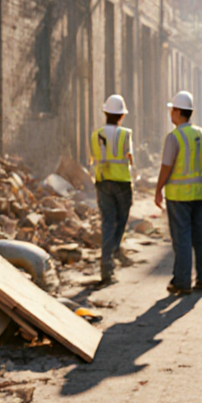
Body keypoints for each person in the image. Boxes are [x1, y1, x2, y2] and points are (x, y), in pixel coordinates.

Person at [154, 90, 202, 297]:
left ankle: (182, 282)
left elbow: (166, 166)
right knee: (200, 237)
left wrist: (158, 189)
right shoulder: (200, 134)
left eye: (172, 110)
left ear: (178, 112)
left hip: (179, 196)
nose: (170, 114)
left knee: (182, 240)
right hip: (198, 194)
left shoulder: (174, 137)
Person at [90, 94, 134, 285]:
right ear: (121, 116)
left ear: (105, 113)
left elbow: (94, 156)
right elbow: (129, 157)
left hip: (102, 181)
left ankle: (106, 266)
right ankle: (115, 247)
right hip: (122, 182)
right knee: (121, 219)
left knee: (108, 222)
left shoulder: (96, 134)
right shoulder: (125, 134)